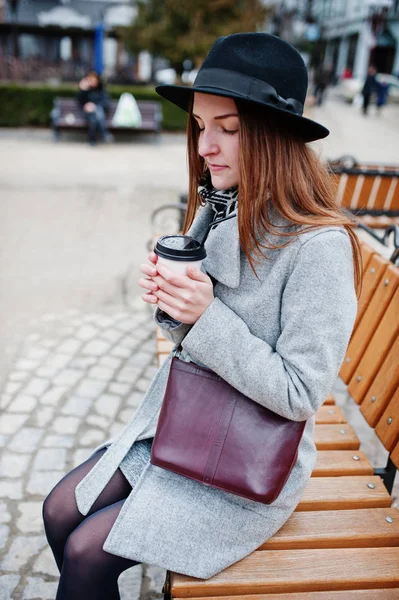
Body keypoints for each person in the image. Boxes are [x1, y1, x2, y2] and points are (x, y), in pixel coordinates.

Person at [42, 33, 361, 599]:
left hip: (249, 464)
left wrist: (205, 314)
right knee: (60, 510)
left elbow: (302, 392)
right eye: (199, 125)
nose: (205, 145)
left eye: (229, 128)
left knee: (87, 551)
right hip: (187, 426)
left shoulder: (320, 246)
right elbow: (196, 333)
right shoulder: (222, 204)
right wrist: (174, 302)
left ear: (275, 137)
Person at [77, 70, 112, 145]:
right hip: (87, 113)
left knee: (95, 116)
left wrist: (94, 106)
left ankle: (92, 140)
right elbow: (80, 102)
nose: (92, 82)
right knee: (94, 117)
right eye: (90, 80)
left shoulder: (101, 90)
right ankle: (104, 133)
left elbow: (106, 102)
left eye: (94, 80)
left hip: (99, 112)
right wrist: (83, 90)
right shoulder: (85, 91)